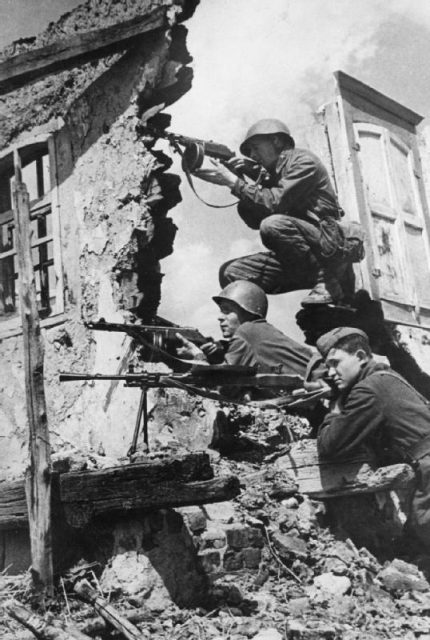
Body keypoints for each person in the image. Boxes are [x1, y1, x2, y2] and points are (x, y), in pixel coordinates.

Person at [193, 118, 354, 306]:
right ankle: (252, 327)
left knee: (273, 225)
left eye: (255, 148)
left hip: (327, 250)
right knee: (231, 272)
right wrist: (240, 179)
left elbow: (274, 202)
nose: (252, 155)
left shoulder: (304, 162)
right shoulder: (271, 175)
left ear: (276, 141)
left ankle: (329, 283)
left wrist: (233, 182)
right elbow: (254, 219)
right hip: (301, 259)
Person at [315, 326, 430, 549]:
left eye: (335, 363)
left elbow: (330, 445)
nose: (330, 373)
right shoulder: (386, 377)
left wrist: (335, 410)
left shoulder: (368, 389)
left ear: (360, 357)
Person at [176, 280, 312, 378]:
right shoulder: (258, 330)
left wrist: (197, 355)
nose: (220, 318)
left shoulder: (247, 330)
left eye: (227, 311)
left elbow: (222, 384)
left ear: (248, 311)